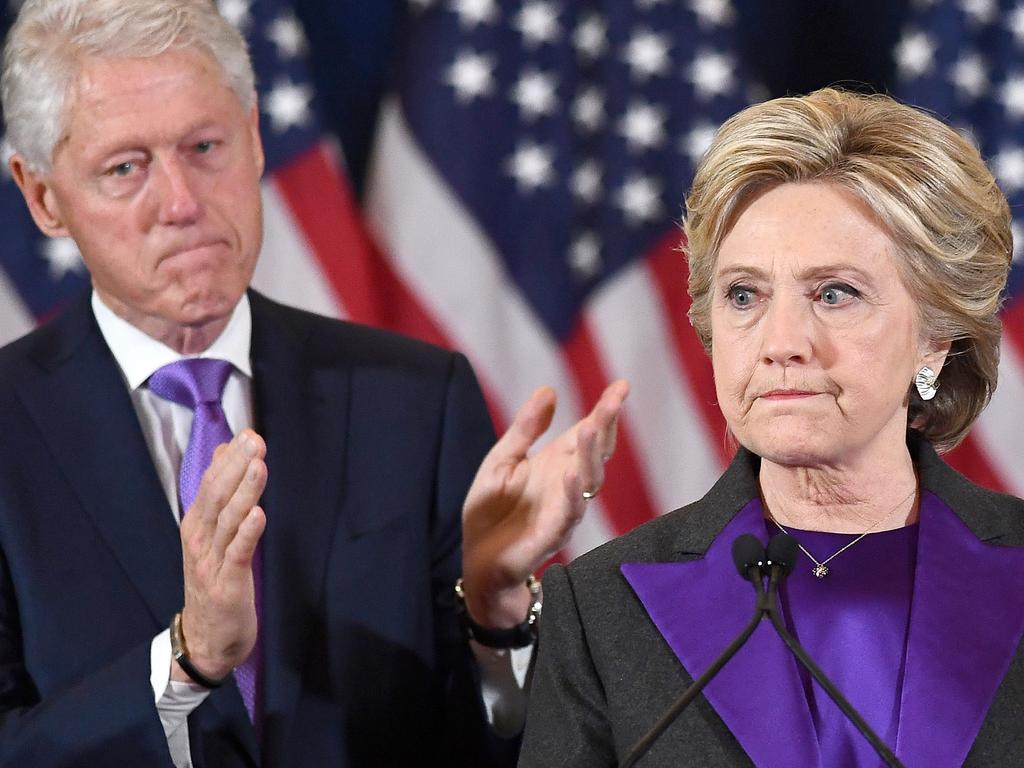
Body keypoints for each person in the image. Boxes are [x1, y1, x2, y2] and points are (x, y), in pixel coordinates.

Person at [0, 1, 628, 766]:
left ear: (257, 139)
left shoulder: (414, 403)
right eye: (125, 168)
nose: (182, 203)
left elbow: (494, 748)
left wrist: (495, 615)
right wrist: (185, 662)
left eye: (205, 146)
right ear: (42, 197)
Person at [519, 87, 1024, 767]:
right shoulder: (602, 607)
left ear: (936, 338)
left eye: (835, 293)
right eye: (744, 295)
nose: (781, 341)